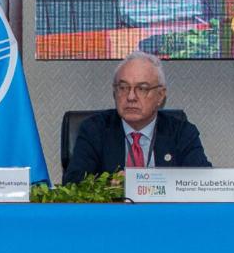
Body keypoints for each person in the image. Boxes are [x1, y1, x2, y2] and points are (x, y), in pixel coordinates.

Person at [63, 51, 210, 184]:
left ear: (160, 95)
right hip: (114, 213)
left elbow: (203, 181)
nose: (131, 97)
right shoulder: (95, 129)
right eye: (123, 88)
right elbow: (72, 182)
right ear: (115, 92)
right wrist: (110, 184)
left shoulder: (181, 132)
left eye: (142, 88)